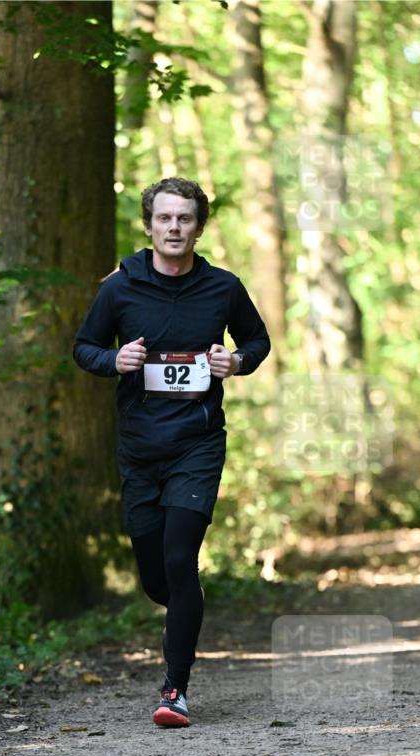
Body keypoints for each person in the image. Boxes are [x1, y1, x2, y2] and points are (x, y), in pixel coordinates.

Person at [73, 177, 270, 727]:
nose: (175, 228)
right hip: (139, 449)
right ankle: (183, 606)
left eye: (185, 219)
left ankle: (174, 691)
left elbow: (257, 340)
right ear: (149, 225)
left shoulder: (223, 287)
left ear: (199, 227)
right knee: (158, 580)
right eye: (165, 219)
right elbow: (84, 346)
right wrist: (113, 361)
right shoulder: (121, 288)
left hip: (197, 443)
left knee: (181, 560)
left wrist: (237, 361)